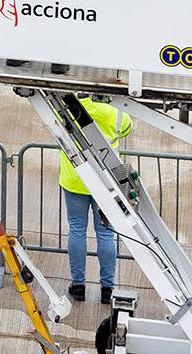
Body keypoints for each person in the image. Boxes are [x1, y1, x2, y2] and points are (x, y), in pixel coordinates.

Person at [57, 97, 131, 304]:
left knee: (77, 230)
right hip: (105, 180)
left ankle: (78, 284)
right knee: (106, 234)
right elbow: (127, 128)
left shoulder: (68, 106)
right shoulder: (115, 112)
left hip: (75, 179)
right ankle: (107, 288)